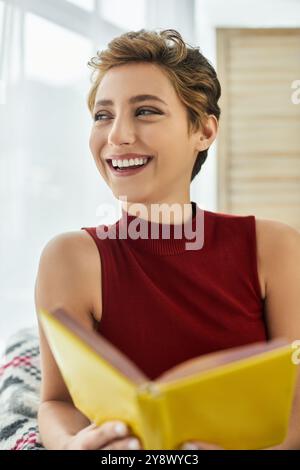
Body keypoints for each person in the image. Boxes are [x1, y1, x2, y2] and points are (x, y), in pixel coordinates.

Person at [35, 28, 300, 450]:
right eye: (103, 115)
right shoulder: (70, 258)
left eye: (145, 111)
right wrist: (71, 445)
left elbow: (297, 407)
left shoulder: (274, 248)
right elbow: (57, 402)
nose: (117, 135)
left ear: (204, 132)